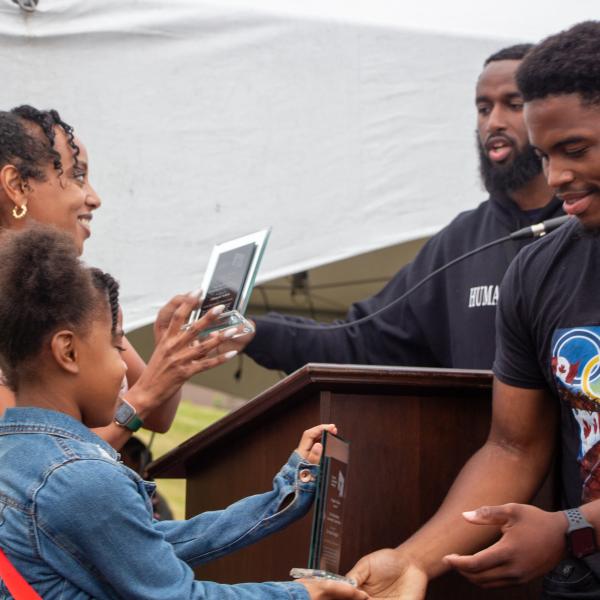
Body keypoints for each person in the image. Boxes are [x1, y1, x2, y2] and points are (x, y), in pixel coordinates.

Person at [347, 20, 600, 599]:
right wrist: (410, 561)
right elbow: (514, 445)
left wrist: (570, 527)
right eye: (545, 155)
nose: (557, 176)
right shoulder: (538, 271)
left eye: (576, 149)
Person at [0, 225, 367, 600]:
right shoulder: (80, 479)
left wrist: (287, 492)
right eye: (115, 346)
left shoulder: (13, 456)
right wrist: (305, 594)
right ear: (68, 352)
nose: (126, 369)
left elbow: (148, 542)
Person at [226, 44, 563, 374]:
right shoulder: (460, 242)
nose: (494, 123)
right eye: (484, 108)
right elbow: (362, 341)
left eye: (513, 104)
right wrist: (255, 332)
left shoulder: (585, 226)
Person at [0, 105, 237, 449]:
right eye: (77, 175)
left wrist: (169, 353)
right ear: (17, 186)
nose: (93, 198)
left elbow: (159, 415)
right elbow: (26, 453)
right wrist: (139, 402)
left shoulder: (77, 293)